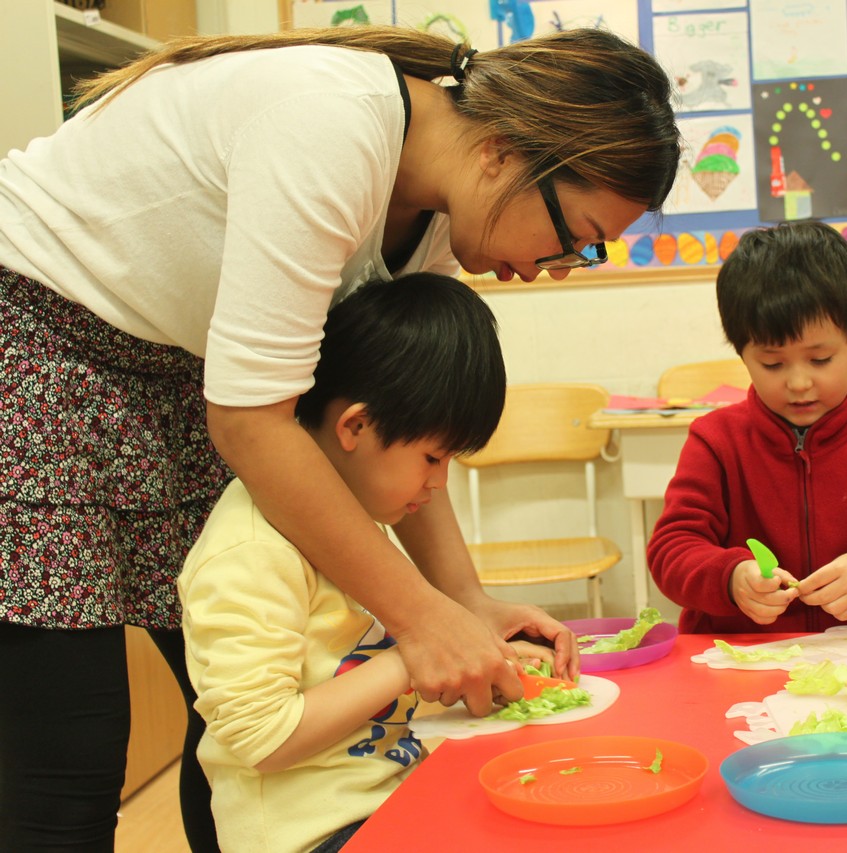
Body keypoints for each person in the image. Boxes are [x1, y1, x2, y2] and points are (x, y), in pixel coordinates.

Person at [0, 24, 679, 851]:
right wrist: (420, 619)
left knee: (239, 703)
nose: (556, 264)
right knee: (70, 742)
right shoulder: (330, 129)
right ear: (501, 152)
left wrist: (461, 602)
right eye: (574, 232)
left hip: (185, 370)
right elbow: (250, 422)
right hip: (36, 344)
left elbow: (405, 418)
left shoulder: (440, 213)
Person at [180, 273, 548, 852]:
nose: (439, 483)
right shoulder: (251, 551)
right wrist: (412, 657)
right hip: (314, 836)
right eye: (432, 457)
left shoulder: (360, 515)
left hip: (391, 803)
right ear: (355, 426)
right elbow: (261, 737)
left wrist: (482, 654)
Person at [646, 221, 847, 635]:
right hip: (736, 657)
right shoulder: (716, 441)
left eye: (820, 360)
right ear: (741, 351)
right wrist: (730, 579)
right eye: (772, 364)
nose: (799, 383)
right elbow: (671, 550)